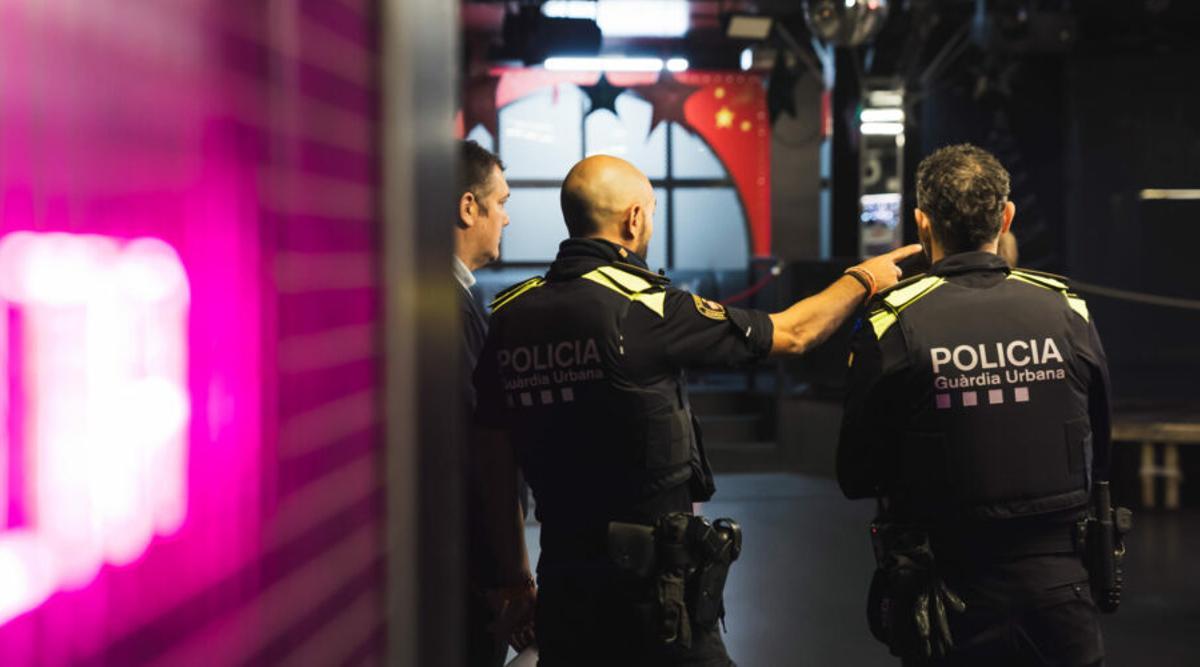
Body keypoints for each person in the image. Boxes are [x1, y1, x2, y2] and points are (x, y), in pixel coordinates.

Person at [472, 154, 921, 666]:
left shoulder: (510, 318)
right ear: (634, 218)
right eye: (651, 211)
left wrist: (513, 579)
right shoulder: (647, 307)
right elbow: (794, 333)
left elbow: (492, 461)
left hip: (564, 582)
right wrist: (863, 279)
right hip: (653, 593)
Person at [837, 144, 1112, 667]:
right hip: (1062, 589)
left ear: (921, 223)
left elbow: (856, 473)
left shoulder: (892, 323)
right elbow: (1100, 452)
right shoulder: (1067, 309)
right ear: (1006, 216)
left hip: (948, 594)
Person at [454, 139, 530, 666]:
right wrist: (507, 576)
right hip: (466, 571)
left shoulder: (456, 298)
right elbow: (474, 449)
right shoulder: (452, 309)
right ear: (468, 207)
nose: (505, 219)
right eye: (500, 202)